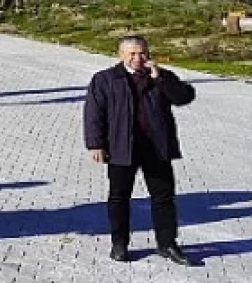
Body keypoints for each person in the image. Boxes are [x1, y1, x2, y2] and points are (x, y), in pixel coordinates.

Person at [84, 35, 196, 266]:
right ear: (121, 55)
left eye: (142, 53)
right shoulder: (105, 79)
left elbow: (184, 97)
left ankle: (167, 244)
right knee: (119, 198)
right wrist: (95, 144)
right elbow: (94, 114)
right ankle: (119, 244)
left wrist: (162, 78)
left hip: (156, 147)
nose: (138, 58)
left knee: (163, 197)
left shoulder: (159, 76)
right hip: (121, 147)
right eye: (132, 53)